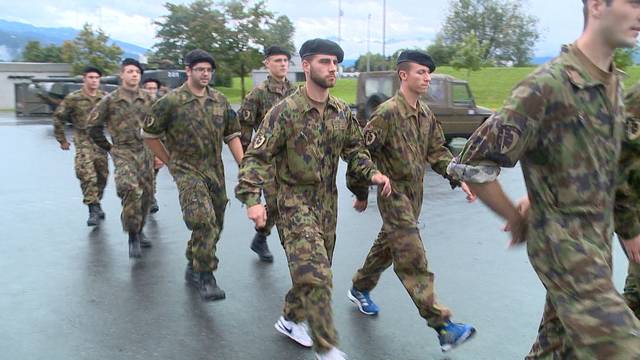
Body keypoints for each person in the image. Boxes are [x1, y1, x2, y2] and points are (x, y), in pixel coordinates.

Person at [447, 0, 640, 357]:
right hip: (563, 248)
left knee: (556, 348)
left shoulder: (612, 85)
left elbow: (597, 162)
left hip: (596, 244)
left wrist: (540, 194)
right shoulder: (546, 86)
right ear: (597, 5)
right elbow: (472, 164)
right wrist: (514, 216)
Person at [235, 38, 391, 360]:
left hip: (326, 205)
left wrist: (372, 173)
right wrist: (252, 199)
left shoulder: (341, 111)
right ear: (305, 66)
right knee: (317, 274)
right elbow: (256, 158)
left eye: (336, 62)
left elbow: (356, 151)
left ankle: (290, 319)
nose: (332, 68)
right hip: (292, 203)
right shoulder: (284, 112)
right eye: (325, 61)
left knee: (312, 273)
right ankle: (326, 345)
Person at [347, 50, 477, 352]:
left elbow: (438, 153)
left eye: (429, 73)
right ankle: (443, 326)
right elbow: (359, 156)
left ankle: (360, 286)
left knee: (387, 247)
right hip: (394, 197)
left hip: (415, 197)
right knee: (412, 257)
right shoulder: (387, 113)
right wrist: (362, 192)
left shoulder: (425, 114)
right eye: (421, 72)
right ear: (403, 75)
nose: (427, 77)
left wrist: (458, 178)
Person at [142, 49, 244, 301]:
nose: (206, 74)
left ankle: (194, 260)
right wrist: (170, 162)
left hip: (214, 171)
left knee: (216, 224)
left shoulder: (219, 100)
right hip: (187, 171)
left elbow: (232, 135)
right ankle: (206, 276)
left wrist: (244, 165)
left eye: (209, 70)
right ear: (188, 71)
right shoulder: (171, 101)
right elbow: (149, 134)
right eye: (200, 69)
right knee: (203, 221)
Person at [88, 58, 155, 258]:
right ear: (122, 75)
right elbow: (93, 127)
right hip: (123, 152)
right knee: (130, 190)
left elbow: (160, 126)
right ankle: (132, 235)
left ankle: (139, 228)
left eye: (137, 72)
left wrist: (161, 152)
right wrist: (108, 147)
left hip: (146, 151)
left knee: (146, 196)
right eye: (130, 71)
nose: (134, 74)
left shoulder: (149, 99)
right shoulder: (110, 100)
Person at [238, 45, 295, 262]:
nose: (282, 64)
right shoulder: (257, 94)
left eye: (285, 60)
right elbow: (244, 131)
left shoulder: (296, 91)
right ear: (267, 64)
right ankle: (297, 256)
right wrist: (246, 164)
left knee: (281, 205)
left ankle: (260, 237)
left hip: (293, 161)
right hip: (269, 162)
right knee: (278, 204)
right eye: (277, 60)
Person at [53, 66, 109, 226]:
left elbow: (114, 118)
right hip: (83, 140)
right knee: (86, 174)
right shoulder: (74, 98)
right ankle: (92, 208)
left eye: (97, 78)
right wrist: (62, 139)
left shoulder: (105, 97)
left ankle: (97, 202)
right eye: (91, 77)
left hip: (100, 142)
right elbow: (58, 117)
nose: (94, 80)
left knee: (102, 176)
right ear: (84, 79)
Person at [142, 77, 164, 214]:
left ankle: (150, 197)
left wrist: (162, 153)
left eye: (153, 88)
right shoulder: (137, 104)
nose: (151, 91)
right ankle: (148, 198)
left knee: (152, 174)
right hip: (137, 146)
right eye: (148, 88)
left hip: (156, 144)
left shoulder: (161, 106)